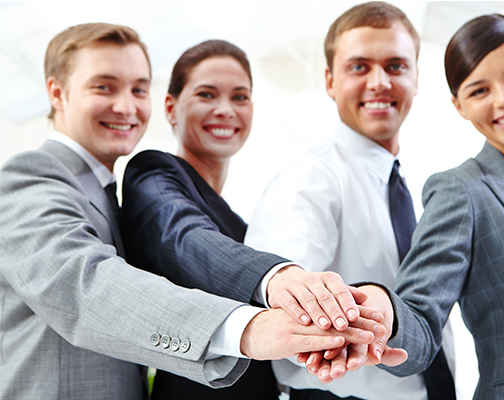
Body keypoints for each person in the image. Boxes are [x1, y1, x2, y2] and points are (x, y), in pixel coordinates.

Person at [0, 23, 394, 400]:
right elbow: (88, 286)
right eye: (104, 87)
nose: (126, 105)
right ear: (56, 92)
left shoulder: (109, 193)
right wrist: (253, 324)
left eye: (139, 89)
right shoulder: (34, 175)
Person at [119, 39, 402, 399]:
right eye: (207, 95)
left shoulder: (239, 222)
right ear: (171, 107)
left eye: (239, 97)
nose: (225, 109)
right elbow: (186, 238)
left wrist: (346, 331)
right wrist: (278, 278)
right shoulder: (154, 173)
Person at [348, 13, 504, 400]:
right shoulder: (461, 191)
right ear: (460, 106)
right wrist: (383, 315)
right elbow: (421, 319)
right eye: (480, 90)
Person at [245, 2, 455, 400]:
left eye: (395, 66)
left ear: (415, 77)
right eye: (359, 67)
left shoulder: (416, 183)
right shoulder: (309, 181)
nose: (379, 82)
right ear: (329, 80)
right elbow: (290, 317)